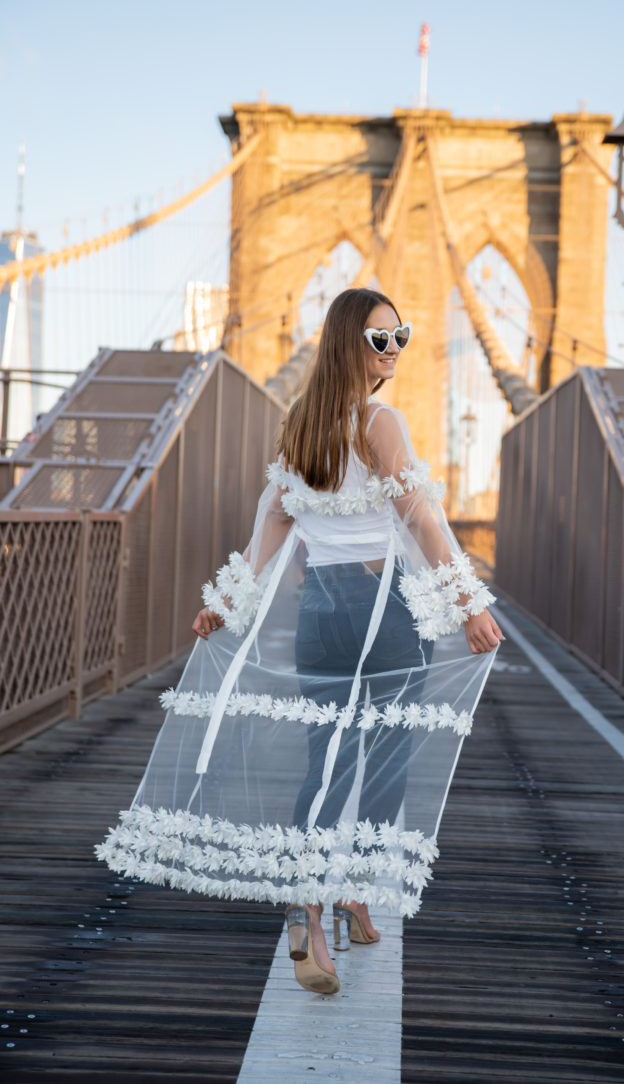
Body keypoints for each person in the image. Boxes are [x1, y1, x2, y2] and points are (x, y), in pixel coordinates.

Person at [96, 287, 502, 996]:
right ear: (351, 344)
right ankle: (336, 891)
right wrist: (468, 603)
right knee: (384, 759)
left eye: (400, 335)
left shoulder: (300, 425)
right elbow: (425, 521)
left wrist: (225, 602)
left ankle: (322, 904)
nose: (395, 348)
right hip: (384, 613)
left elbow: (273, 526)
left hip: (320, 614)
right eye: (380, 339)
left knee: (328, 766)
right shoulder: (381, 421)